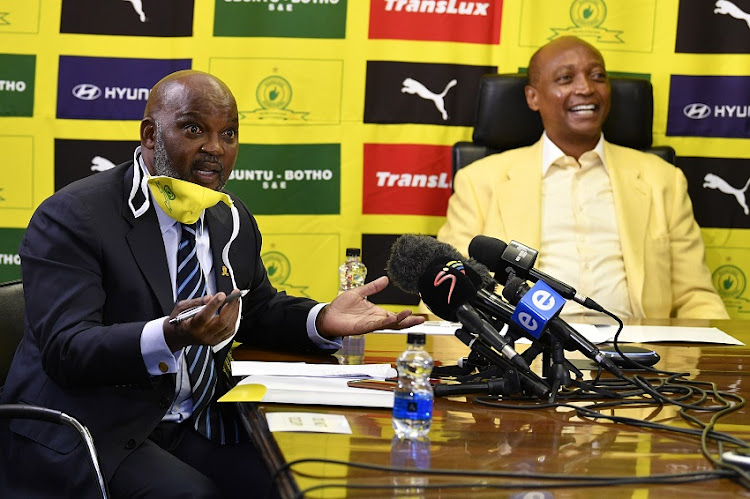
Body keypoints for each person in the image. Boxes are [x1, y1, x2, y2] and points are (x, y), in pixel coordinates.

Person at [0, 70, 424, 498]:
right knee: (193, 494)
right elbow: (66, 349)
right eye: (194, 129)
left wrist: (323, 319)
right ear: (150, 135)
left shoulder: (229, 216)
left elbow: (255, 311)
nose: (215, 149)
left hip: (194, 419)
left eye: (229, 134)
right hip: (91, 424)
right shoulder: (74, 216)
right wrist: (171, 334)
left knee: (296, 477)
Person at [438, 36, 728, 320]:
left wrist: (717, 360)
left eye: (598, 76)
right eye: (566, 78)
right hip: (523, 350)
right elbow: (451, 290)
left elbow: (696, 296)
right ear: (533, 97)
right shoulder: (479, 181)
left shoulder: (663, 179)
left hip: (633, 349)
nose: (587, 88)